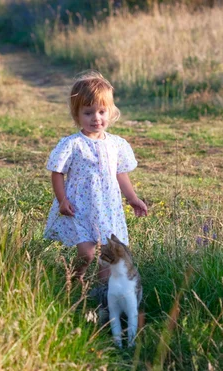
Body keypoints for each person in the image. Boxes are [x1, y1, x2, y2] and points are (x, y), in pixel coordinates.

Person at [44, 71, 148, 283]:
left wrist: (132, 198)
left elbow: (120, 173)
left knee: (107, 257)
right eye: (88, 113)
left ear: (110, 111)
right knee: (87, 253)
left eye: (102, 111)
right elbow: (57, 172)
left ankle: (101, 295)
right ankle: (75, 278)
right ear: (77, 115)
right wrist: (62, 199)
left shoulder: (116, 144)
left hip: (108, 207)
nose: (96, 118)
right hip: (80, 207)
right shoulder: (72, 144)